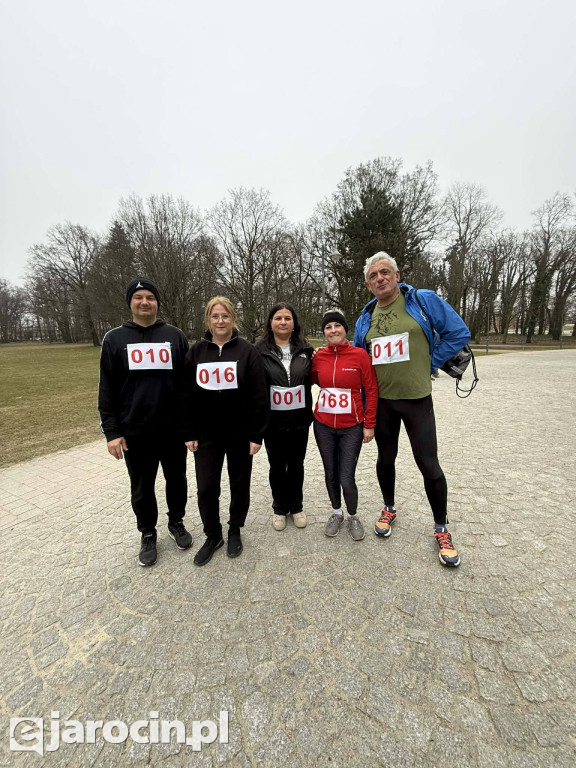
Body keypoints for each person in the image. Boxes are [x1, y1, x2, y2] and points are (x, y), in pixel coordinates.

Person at [353, 252, 471, 567]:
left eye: (385, 272)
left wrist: (430, 362)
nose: (380, 278)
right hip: (383, 403)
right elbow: (359, 361)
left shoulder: (422, 300)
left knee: (428, 464)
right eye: (373, 275)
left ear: (397, 275)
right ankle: (389, 507)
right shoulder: (365, 317)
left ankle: (441, 528)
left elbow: (458, 333)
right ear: (368, 285)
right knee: (385, 459)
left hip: (417, 399)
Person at [98, 277, 191, 567]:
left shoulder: (174, 336)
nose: (144, 302)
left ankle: (176, 522)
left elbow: (187, 386)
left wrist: (189, 426)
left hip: (172, 430)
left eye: (150, 297)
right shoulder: (114, 339)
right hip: (135, 431)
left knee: (177, 480)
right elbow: (107, 389)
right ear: (130, 302)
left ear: (157, 303)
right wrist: (112, 432)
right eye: (138, 297)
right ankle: (147, 532)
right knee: (141, 487)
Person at [181, 297, 268, 566]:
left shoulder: (247, 351)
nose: (220, 321)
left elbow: (259, 395)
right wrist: (189, 431)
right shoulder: (196, 352)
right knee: (207, 488)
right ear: (208, 320)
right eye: (215, 316)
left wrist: (256, 435)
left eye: (225, 316)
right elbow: (186, 395)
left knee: (239, 484)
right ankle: (213, 534)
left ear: (233, 318)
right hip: (206, 435)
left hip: (240, 433)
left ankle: (234, 529)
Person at [312, 311, 378, 541]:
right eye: (328, 327)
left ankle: (353, 516)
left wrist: (369, 424)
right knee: (330, 473)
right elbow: (308, 379)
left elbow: (371, 389)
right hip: (323, 425)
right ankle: (337, 513)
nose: (333, 330)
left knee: (346, 477)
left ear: (344, 329)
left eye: (337, 326)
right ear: (324, 333)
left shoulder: (359, 355)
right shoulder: (319, 357)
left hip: (352, 426)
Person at [256, 302, 314, 531]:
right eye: (278, 318)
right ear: (270, 323)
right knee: (277, 465)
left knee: (297, 464)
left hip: (300, 420)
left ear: (294, 323)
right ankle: (280, 507)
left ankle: (297, 506)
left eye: (287, 318)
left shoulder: (306, 349)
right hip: (273, 422)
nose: (283, 322)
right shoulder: (259, 350)